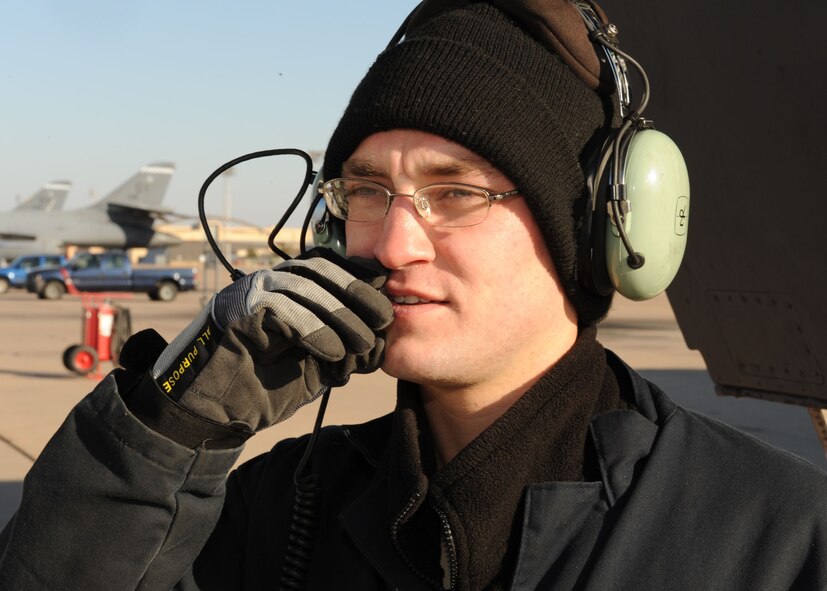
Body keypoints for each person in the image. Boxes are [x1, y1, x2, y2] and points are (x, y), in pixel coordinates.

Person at [1, 1, 826, 590]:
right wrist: (166, 428)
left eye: (455, 192)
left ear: (590, 228)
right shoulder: (275, 506)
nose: (393, 246)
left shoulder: (778, 534)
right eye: (366, 191)